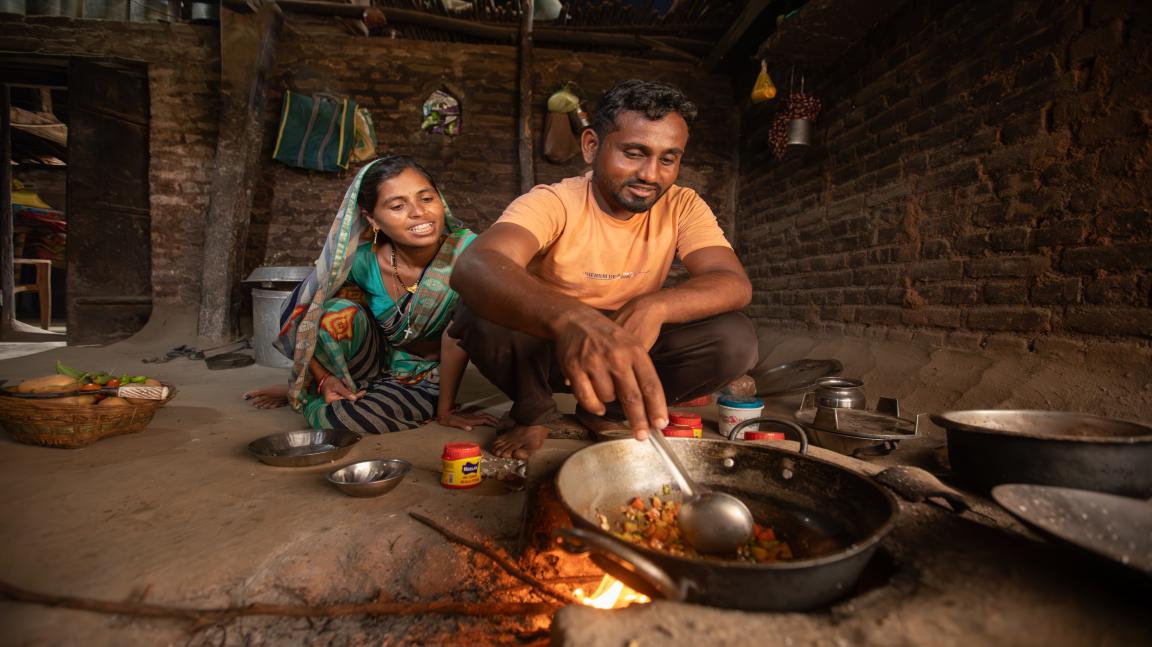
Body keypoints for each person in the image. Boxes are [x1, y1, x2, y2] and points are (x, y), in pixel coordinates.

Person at [450, 79, 757, 459]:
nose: (651, 174)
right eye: (634, 152)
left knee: (734, 338)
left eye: (668, 158)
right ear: (592, 146)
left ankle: (608, 410)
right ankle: (534, 413)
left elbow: (732, 283)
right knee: (476, 309)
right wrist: (573, 320)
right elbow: (475, 265)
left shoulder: (683, 205)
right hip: (550, 349)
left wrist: (654, 307)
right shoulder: (555, 201)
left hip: (630, 341)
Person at [246, 155, 496, 433]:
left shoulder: (469, 253)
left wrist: (445, 410)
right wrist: (323, 378)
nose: (418, 213)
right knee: (332, 311)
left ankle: (302, 393)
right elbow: (302, 313)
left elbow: (458, 333)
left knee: (344, 419)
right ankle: (315, 386)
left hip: (427, 373)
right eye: (398, 206)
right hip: (374, 361)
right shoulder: (362, 261)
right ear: (372, 219)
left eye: (427, 199)